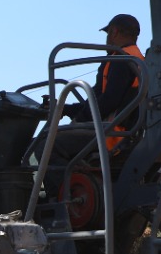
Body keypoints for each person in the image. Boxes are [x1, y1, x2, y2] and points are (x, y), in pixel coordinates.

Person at [40, 12, 147, 166]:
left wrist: (79, 120)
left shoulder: (120, 59)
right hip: (123, 132)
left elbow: (108, 101)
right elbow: (97, 101)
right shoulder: (139, 59)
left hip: (112, 135)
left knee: (45, 145)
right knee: (54, 140)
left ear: (114, 32)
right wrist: (64, 109)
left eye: (108, 34)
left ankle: (66, 182)